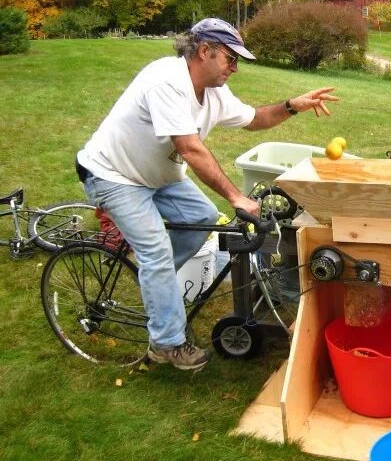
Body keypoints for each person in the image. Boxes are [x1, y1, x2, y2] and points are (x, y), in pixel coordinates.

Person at [76, 18, 338, 371]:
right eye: (232, 59)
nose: (235, 69)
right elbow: (189, 147)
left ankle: (158, 284)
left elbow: (255, 118)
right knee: (154, 250)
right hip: (114, 175)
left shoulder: (214, 91)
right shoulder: (166, 81)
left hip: (157, 175)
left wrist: (293, 105)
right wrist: (235, 196)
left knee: (201, 218)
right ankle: (167, 344)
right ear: (204, 51)